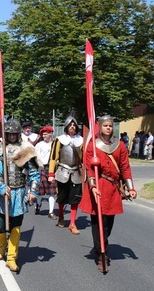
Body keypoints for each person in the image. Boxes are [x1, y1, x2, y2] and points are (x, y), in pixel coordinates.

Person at [80, 115, 137, 273]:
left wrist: (131, 188)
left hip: (112, 189)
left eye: (110, 125)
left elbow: (125, 167)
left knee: (108, 224)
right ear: (100, 126)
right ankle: (101, 254)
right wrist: (92, 187)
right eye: (105, 125)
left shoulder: (120, 146)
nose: (108, 128)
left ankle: (102, 243)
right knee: (98, 223)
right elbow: (90, 168)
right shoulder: (92, 146)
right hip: (98, 186)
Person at [0, 120, 40, 272]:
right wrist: (2, 186)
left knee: (16, 226)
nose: (13, 136)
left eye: (15, 134)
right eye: (10, 134)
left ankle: (11, 257)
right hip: (2, 193)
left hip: (19, 192)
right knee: (0, 226)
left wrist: (33, 191)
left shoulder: (25, 149)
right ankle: (2, 246)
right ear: (6, 134)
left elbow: (34, 172)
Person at [48, 115, 83, 235]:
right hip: (63, 171)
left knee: (75, 199)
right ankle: (61, 217)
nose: (72, 126)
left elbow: (84, 159)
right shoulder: (59, 140)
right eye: (70, 125)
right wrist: (51, 174)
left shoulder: (81, 140)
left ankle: (72, 223)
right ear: (66, 127)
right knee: (62, 197)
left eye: (74, 125)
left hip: (77, 172)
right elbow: (53, 157)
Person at [34, 126, 57, 218]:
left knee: (52, 192)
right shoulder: (39, 145)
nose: (43, 136)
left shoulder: (55, 145)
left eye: (45, 134)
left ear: (50, 134)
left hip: (52, 169)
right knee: (40, 191)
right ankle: (38, 205)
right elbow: (35, 157)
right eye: (43, 134)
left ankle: (51, 212)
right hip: (42, 168)